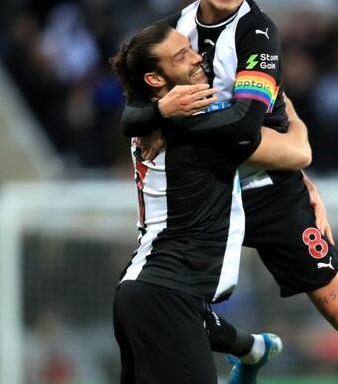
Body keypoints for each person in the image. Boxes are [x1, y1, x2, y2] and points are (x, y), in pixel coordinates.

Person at [120, 0, 338, 383]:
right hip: (208, 188)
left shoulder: (258, 32)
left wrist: (170, 125)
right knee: (172, 291)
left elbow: (246, 128)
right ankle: (251, 350)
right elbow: (131, 114)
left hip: (268, 184)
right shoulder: (170, 35)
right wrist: (160, 113)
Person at [110, 23, 312, 383]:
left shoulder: (159, 121)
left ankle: (251, 349)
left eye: (189, 48)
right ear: (156, 80)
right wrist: (290, 112)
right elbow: (299, 152)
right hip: (165, 293)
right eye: (180, 56)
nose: (195, 57)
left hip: (151, 291)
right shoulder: (202, 126)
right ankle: (252, 350)